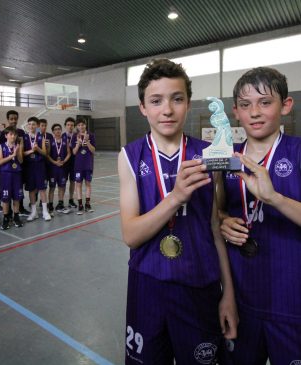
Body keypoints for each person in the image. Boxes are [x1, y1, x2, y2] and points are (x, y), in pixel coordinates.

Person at [118, 59, 237, 364]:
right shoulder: (129, 156)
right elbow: (131, 235)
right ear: (142, 107)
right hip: (148, 285)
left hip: (200, 285)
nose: (167, 110)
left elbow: (215, 228)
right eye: (156, 101)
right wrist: (176, 197)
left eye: (177, 99)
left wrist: (229, 294)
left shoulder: (211, 155)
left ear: (189, 104)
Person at [217, 67, 301, 364]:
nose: (254, 112)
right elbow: (218, 212)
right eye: (245, 104)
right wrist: (224, 220)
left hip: (291, 302)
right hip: (241, 299)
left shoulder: (299, 152)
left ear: (286, 106)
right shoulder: (226, 160)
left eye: (265, 102)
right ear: (235, 112)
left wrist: (274, 199)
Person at [0, 110, 29, 216]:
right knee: (5, 189)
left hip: (19, 165)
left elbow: (23, 147)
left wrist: (21, 143)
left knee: (18, 188)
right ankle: (6, 211)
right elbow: (1, 148)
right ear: (8, 119)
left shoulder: (21, 132)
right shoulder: (4, 133)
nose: (13, 121)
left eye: (15, 119)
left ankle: (20, 208)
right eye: (11, 119)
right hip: (7, 166)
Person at [23, 117, 51, 221]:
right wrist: (31, 151)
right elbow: (21, 153)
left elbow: (44, 153)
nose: (31, 126)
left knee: (42, 189)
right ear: (27, 125)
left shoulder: (41, 137)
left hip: (40, 166)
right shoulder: (24, 137)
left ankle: (45, 211)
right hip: (29, 167)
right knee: (31, 190)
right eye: (29, 124)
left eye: (33, 124)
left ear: (37, 126)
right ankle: (34, 212)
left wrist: (38, 149)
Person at [0, 126, 24, 230]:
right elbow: (0, 161)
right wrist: (11, 155)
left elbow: (21, 161)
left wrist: (17, 153)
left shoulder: (18, 146)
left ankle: (16, 216)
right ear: (6, 135)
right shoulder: (1, 146)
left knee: (17, 197)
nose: (13, 136)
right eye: (11, 134)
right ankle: (5, 218)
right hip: (6, 174)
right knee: (6, 198)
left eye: (15, 134)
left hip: (16, 174)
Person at [71, 117, 95, 215]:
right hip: (78, 166)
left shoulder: (91, 135)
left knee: (88, 184)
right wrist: (78, 144)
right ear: (77, 126)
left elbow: (93, 150)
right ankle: (80, 205)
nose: (81, 127)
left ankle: (88, 204)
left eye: (83, 125)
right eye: (79, 125)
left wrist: (87, 141)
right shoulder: (74, 136)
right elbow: (74, 152)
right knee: (78, 184)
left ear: (85, 125)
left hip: (88, 165)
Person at [47, 123, 71, 214]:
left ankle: (60, 205)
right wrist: (55, 162)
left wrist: (63, 161)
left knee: (62, 186)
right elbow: (47, 155)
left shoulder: (66, 141)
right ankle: (50, 206)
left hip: (62, 168)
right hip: (53, 168)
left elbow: (69, 153)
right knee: (52, 187)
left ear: (61, 130)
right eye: (56, 129)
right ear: (53, 131)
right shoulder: (50, 141)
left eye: (59, 129)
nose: (58, 131)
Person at [62, 117, 78, 209]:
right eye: (68, 125)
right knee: (63, 183)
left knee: (72, 182)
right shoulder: (62, 136)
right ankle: (61, 201)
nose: (70, 127)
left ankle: (71, 200)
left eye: (72, 125)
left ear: (74, 126)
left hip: (74, 163)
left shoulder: (77, 136)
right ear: (65, 126)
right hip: (64, 163)